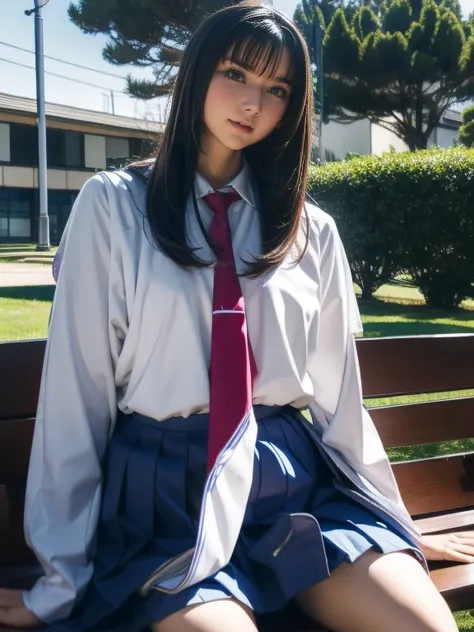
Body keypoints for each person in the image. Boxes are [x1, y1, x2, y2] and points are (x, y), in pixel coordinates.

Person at [0, 3, 473, 631]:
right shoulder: (112, 209)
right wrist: (58, 583)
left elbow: (339, 399)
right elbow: (75, 401)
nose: (253, 102)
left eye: (276, 89)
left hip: (291, 488)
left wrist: (398, 530)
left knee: (424, 626)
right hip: (166, 502)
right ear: (197, 73)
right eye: (236, 73)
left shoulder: (310, 229)